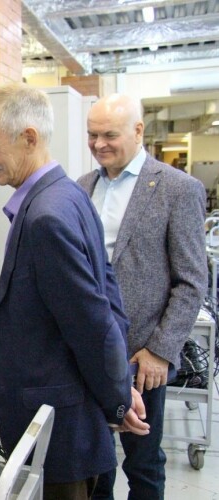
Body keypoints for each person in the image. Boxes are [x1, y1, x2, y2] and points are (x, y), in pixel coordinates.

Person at [0, 82, 149, 499]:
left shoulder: (46, 217)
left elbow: (92, 323)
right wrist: (118, 386)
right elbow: (108, 297)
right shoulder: (70, 193)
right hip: (68, 414)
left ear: (29, 137)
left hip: (58, 429)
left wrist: (118, 400)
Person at [78, 94, 207, 500]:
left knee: (143, 463)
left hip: (141, 356)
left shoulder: (177, 189)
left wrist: (160, 351)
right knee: (94, 463)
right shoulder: (82, 187)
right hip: (88, 351)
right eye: (92, 135)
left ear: (138, 131)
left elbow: (191, 282)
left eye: (109, 135)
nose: (98, 144)